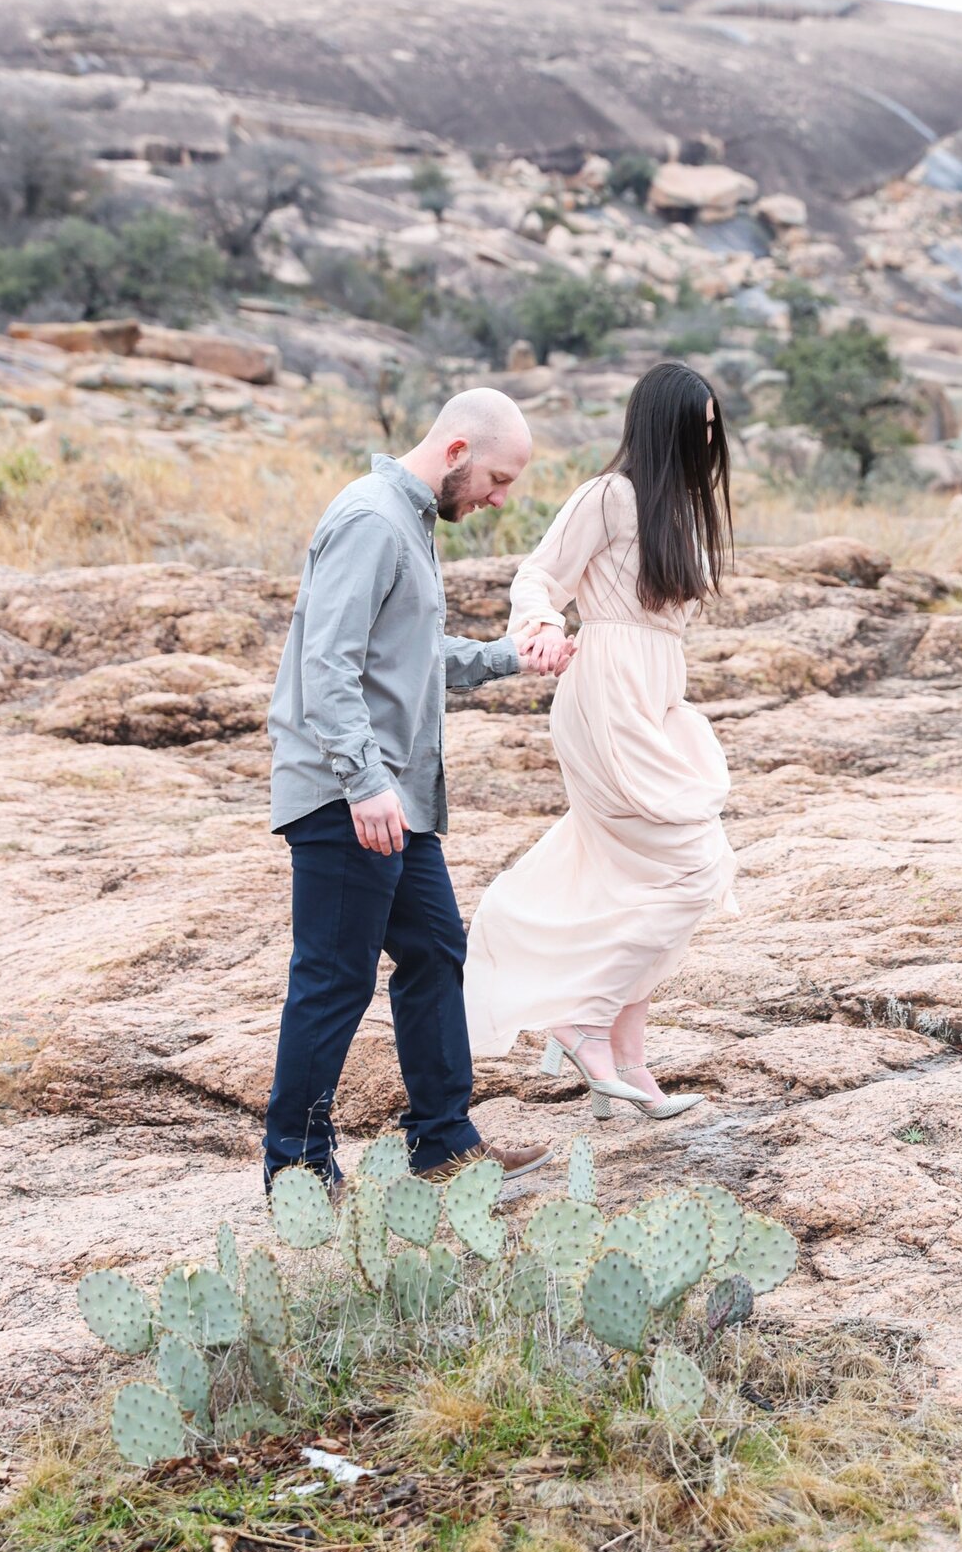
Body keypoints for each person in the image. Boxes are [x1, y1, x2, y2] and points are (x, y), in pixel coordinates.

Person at [262, 388, 564, 1192]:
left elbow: (414, 656)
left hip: (396, 801)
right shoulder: (371, 518)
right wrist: (363, 782)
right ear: (458, 450)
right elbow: (326, 664)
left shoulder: (410, 521)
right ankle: (295, 1168)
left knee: (434, 952)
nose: (501, 499)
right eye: (498, 478)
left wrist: (509, 654)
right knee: (333, 976)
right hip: (347, 796)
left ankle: (442, 1144)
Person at [463, 361, 740, 1121]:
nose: (708, 442)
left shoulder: (678, 508)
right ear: (664, 425)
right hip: (606, 694)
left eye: (714, 430)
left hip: (656, 697)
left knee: (645, 880)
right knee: (694, 866)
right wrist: (543, 627)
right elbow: (538, 575)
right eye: (699, 428)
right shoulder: (609, 495)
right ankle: (583, 1015)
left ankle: (629, 1061)